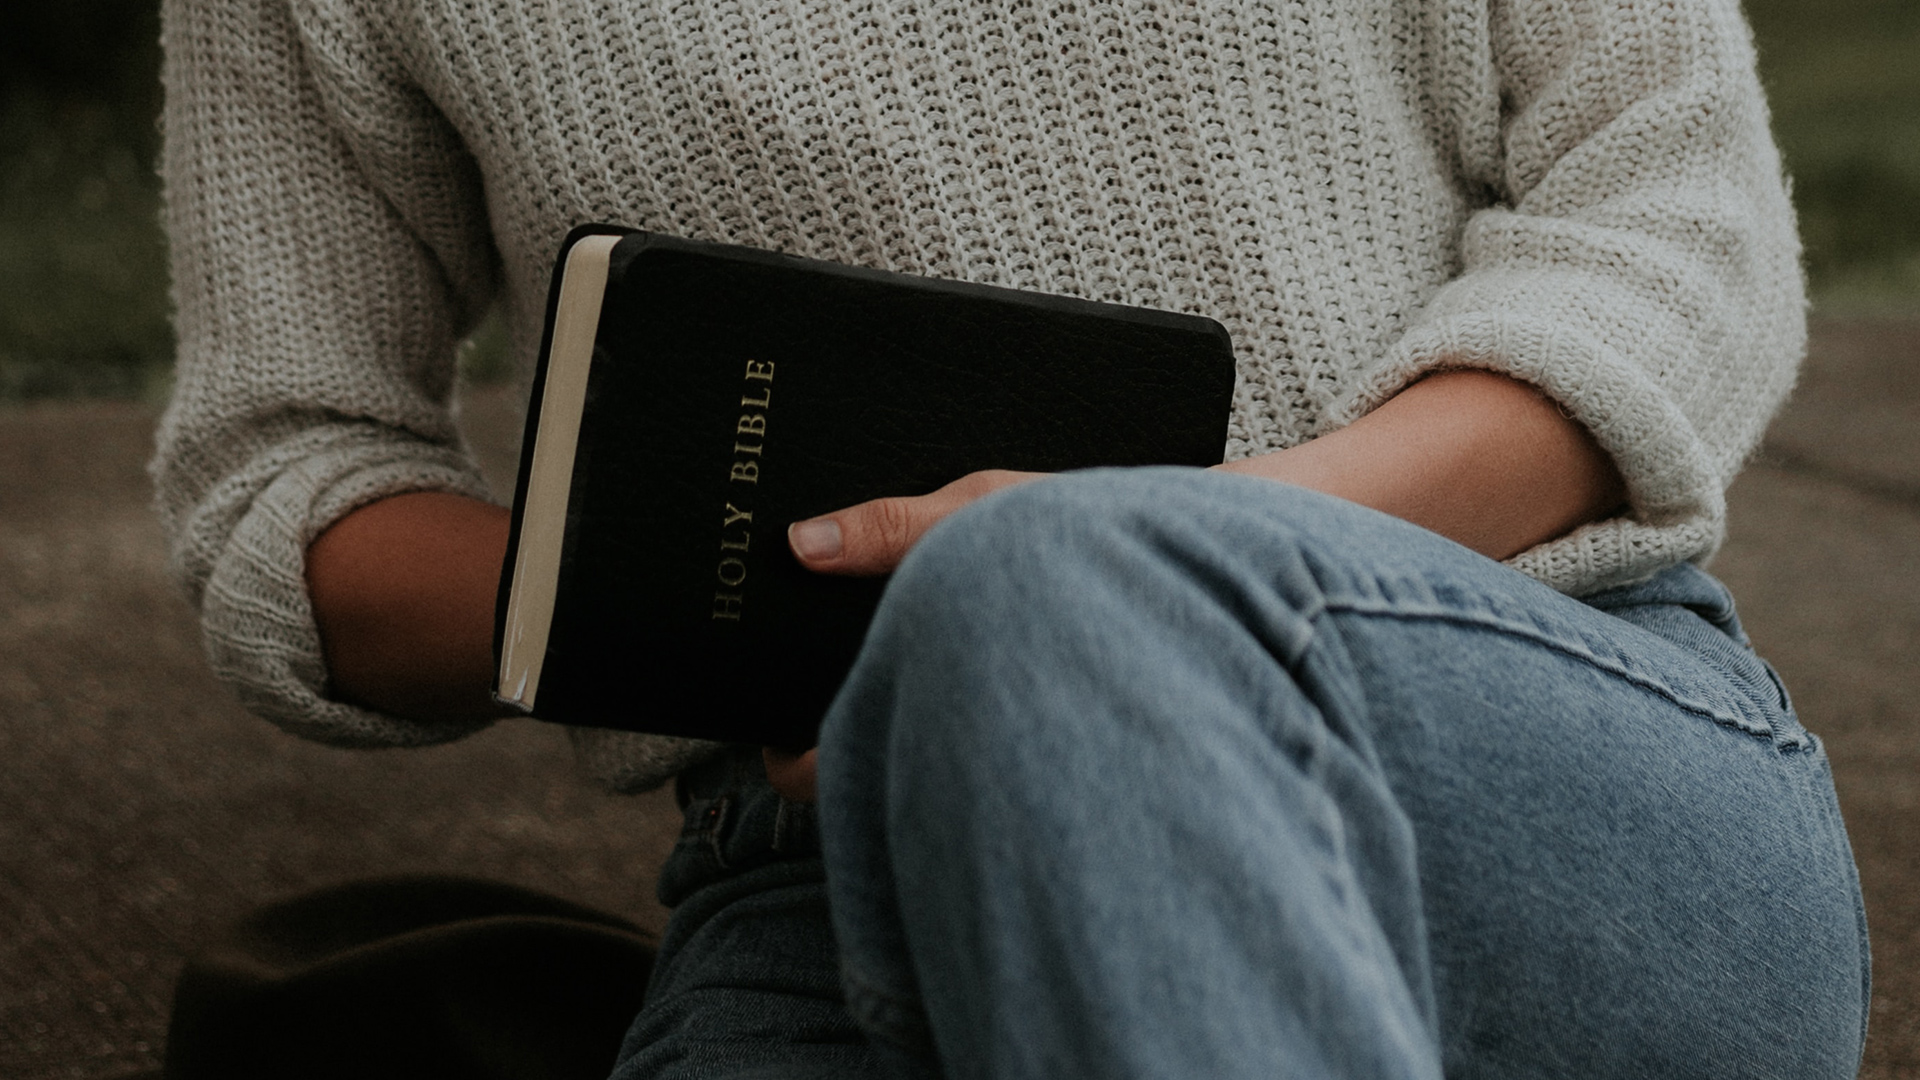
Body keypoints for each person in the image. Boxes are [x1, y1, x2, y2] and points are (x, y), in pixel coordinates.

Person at [153, 0, 1868, 1075]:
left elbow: (1673, 216)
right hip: (826, 879)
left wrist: (1141, 582)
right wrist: (774, 613)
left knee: (1056, 585)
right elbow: (285, 487)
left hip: (1528, 757)